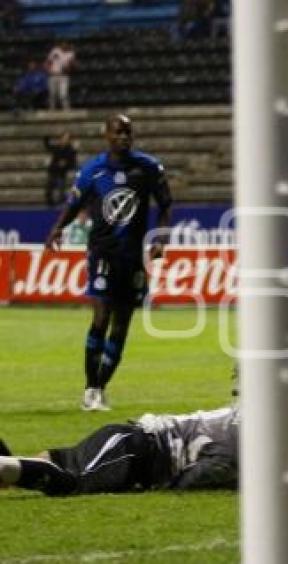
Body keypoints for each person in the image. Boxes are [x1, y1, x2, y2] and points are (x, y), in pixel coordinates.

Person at [0, 381, 288, 496]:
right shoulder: (244, 439)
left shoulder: (255, 426)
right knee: (70, 483)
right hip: (138, 450)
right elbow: (192, 479)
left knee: (59, 462)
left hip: (132, 443)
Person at [45, 115, 173, 411]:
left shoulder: (148, 168)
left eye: (128, 132)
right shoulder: (93, 170)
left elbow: (166, 204)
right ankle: (90, 388)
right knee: (100, 319)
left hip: (132, 257)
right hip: (102, 252)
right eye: (118, 132)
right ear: (107, 135)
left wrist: (161, 239)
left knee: (121, 326)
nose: (124, 137)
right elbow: (74, 204)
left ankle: (100, 388)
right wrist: (56, 229)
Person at [44, 131, 78, 206]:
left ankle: (60, 203)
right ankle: (50, 203)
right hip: (53, 171)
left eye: (67, 139)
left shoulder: (71, 150)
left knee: (61, 189)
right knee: (49, 187)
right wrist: (46, 138)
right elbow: (48, 146)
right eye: (64, 138)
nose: (65, 140)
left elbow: (73, 162)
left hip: (62, 172)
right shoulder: (57, 147)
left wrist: (66, 163)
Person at [44, 40, 75, 111]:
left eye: (66, 44)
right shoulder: (55, 51)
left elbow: (72, 65)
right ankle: (51, 109)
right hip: (53, 75)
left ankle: (66, 109)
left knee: (63, 94)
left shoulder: (71, 53)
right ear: (60, 45)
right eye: (63, 44)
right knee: (52, 94)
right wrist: (47, 69)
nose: (64, 46)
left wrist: (69, 67)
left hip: (63, 76)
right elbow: (48, 61)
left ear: (68, 45)